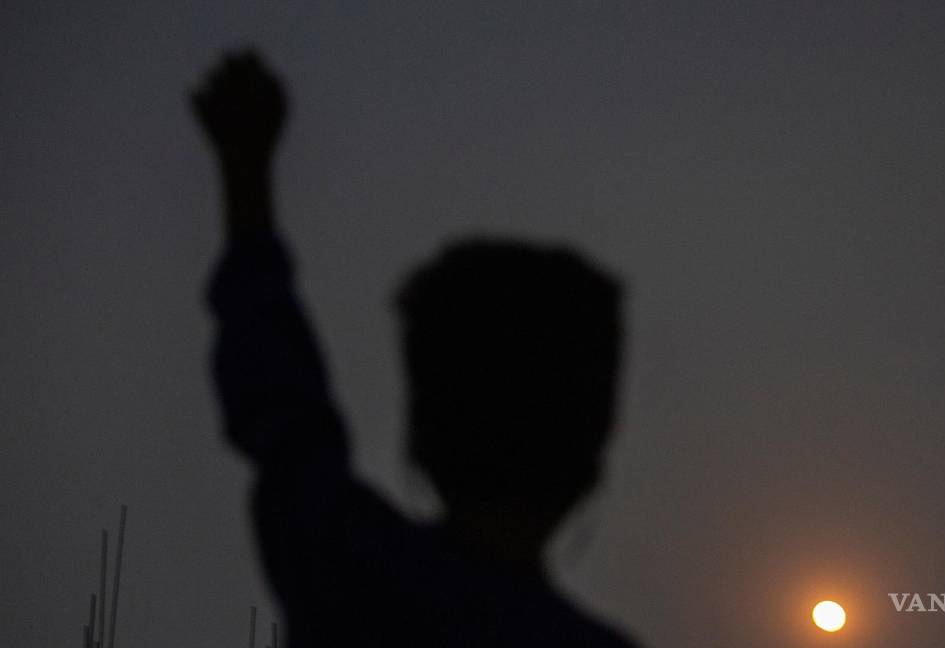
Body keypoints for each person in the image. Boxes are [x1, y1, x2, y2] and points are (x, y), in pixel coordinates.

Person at [192, 50, 636, 647]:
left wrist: (246, 180)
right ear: (597, 444)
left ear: (422, 432)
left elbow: (281, 408)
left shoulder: (350, 573)